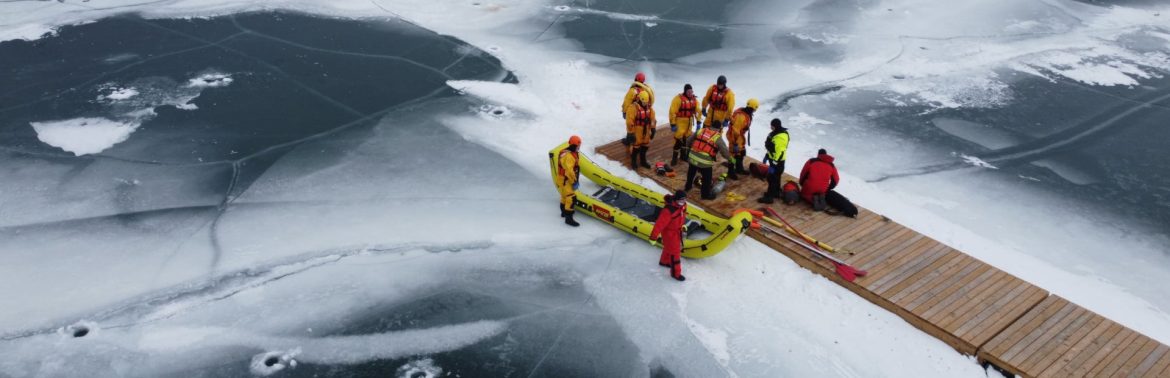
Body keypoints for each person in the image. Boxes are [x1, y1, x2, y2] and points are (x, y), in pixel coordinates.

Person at [684, 121, 733, 200]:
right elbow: (724, 151)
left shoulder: (701, 130)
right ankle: (705, 195)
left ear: (710, 126)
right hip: (704, 162)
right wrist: (730, 159)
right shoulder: (717, 137)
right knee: (707, 178)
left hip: (692, 157)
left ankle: (687, 186)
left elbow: (689, 140)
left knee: (691, 171)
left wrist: (690, 149)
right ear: (719, 129)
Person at [650, 190, 689, 281]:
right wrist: (653, 237)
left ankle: (664, 261)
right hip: (669, 233)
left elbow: (682, 215)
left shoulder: (683, 206)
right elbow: (659, 224)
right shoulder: (668, 211)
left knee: (668, 247)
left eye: (684, 200)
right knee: (675, 252)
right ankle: (676, 273)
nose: (682, 202)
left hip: (677, 231)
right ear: (675, 199)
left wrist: (682, 224)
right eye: (680, 200)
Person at [724, 98, 759, 179]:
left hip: (739, 136)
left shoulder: (745, 112)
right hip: (734, 137)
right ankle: (731, 172)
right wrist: (735, 143)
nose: (754, 111)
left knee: (741, 152)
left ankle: (739, 169)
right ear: (753, 108)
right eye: (755, 109)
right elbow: (735, 131)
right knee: (733, 154)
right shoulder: (741, 116)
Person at [758, 118, 790, 204]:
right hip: (774, 159)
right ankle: (776, 192)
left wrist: (774, 163)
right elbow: (772, 148)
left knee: (771, 178)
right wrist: (767, 155)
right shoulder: (776, 133)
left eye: (771, 126)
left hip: (777, 162)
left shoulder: (781, 137)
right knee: (776, 177)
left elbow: (780, 151)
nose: (770, 127)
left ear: (775, 126)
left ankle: (769, 197)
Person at [668, 84, 702, 165]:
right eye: (688, 91)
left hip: (689, 122)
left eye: (691, 91)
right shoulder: (678, 99)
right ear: (685, 91)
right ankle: (674, 158)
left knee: (686, 140)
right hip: (680, 122)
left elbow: (698, 111)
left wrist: (698, 122)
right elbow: (672, 111)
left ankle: (684, 156)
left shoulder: (694, 100)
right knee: (678, 141)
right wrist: (673, 123)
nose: (690, 93)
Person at [625, 90, 656, 169]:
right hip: (637, 129)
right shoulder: (633, 108)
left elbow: (653, 119)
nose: (645, 104)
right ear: (639, 99)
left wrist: (653, 128)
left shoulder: (650, 108)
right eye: (644, 102)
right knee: (636, 146)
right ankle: (633, 161)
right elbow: (629, 121)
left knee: (645, 145)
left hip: (646, 129)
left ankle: (643, 161)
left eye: (646, 102)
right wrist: (630, 133)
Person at [558, 135, 583, 227]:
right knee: (571, 198)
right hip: (567, 179)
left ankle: (564, 212)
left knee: (564, 196)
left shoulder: (567, 152)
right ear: (574, 145)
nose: (579, 147)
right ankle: (569, 218)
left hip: (562, 179)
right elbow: (569, 171)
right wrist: (574, 181)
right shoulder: (569, 156)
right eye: (578, 145)